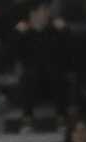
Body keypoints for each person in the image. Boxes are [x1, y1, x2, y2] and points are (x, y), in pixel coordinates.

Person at [10, 0, 70, 131]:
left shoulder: (55, 31)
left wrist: (64, 31)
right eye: (42, 11)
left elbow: (68, 52)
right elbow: (12, 54)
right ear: (33, 14)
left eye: (47, 10)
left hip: (52, 75)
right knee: (28, 76)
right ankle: (27, 119)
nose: (46, 14)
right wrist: (17, 34)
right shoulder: (24, 32)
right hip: (32, 77)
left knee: (57, 75)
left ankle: (61, 117)